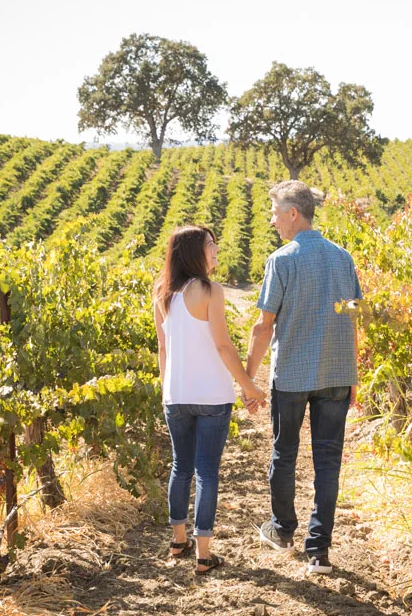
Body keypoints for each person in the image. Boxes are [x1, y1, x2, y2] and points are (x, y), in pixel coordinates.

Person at [246, 180, 363, 575]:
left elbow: (264, 327)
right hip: (336, 374)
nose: (273, 220)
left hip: (292, 375)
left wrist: (248, 379)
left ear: (293, 213)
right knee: (327, 462)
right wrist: (354, 371)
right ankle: (319, 552)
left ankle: (282, 532)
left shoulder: (281, 260)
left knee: (285, 453)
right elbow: (352, 316)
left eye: (276, 212)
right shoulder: (343, 258)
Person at [153, 225, 267, 576]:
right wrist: (249, 386)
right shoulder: (210, 291)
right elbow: (223, 345)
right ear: (193, 252)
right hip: (212, 395)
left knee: (180, 466)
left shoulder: (162, 293)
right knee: (206, 471)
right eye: (210, 246)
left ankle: (177, 541)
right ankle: (204, 555)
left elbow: (162, 348)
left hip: (177, 394)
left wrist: (165, 389)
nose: (216, 252)